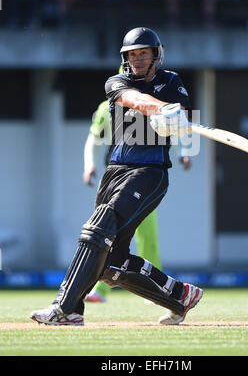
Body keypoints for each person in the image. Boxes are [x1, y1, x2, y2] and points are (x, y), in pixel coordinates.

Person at [30, 27, 203, 326]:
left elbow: (184, 118)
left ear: (155, 55)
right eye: (131, 54)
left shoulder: (171, 81)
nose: (136, 59)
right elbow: (135, 101)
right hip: (115, 172)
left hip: (150, 172)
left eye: (142, 53)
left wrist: (180, 119)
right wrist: (164, 109)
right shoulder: (117, 82)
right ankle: (178, 295)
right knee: (111, 264)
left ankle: (67, 309)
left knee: (99, 226)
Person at [83, 93, 191, 303]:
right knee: (103, 232)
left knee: (147, 236)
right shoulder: (106, 108)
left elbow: (175, 128)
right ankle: (100, 289)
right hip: (112, 178)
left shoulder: (150, 106)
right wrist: (89, 165)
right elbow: (93, 139)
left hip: (142, 178)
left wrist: (184, 152)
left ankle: (155, 288)